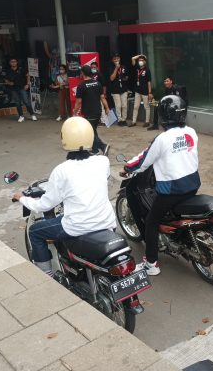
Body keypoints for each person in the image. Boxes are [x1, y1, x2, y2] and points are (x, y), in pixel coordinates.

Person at [13, 116, 116, 275]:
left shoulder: (61, 171)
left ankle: (47, 275)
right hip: (107, 222)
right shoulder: (102, 161)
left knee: (34, 231)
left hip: (77, 226)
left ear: (64, 138)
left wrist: (22, 198)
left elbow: (44, 205)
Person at [121, 95, 200, 276]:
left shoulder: (163, 139)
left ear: (163, 115)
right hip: (192, 184)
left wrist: (127, 168)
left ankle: (151, 265)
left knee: (151, 221)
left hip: (172, 191)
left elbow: (144, 161)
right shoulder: (191, 132)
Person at [73, 63, 110, 155]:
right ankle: (95, 149)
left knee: (89, 131)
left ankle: (103, 146)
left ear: (83, 73)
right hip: (98, 111)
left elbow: (78, 101)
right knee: (93, 130)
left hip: (89, 113)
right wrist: (107, 108)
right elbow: (102, 97)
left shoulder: (81, 86)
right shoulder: (97, 83)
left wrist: (74, 112)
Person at [3, 57, 37, 123]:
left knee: (26, 102)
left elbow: (28, 75)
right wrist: (9, 83)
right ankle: (21, 116)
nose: (13, 63)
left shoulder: (21, 69)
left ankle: (32, 114)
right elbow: (5, 80)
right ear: (10, 63)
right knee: (17, 103)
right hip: (13, 89)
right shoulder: (8, 71)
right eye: (12, 62)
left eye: (14, 61)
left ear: (17, 62)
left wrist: (27, 84)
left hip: (22, 88)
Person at [129, 54, 153, 127]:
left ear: (145, 62)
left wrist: (149, 92)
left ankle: (147, 122)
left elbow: (149, 82)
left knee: (146, 106)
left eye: (142, 60)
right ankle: (133, 122)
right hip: (137, 91)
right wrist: (140, 55)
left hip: (145, 91)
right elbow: (132, 58)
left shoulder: (147, 70)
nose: (140, 61)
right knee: (136, 106)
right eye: (139, 60)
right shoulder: (137, 67)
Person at [109, 53, 129, 126]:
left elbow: (126, 76)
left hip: (123, 89)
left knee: (124, 105)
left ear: (119, 59)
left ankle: (124, 120)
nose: (116, 60)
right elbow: (111, 78)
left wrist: (125, 78)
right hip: (115, 90)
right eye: (114, 59)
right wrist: (116, 68)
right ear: (112, 60)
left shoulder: (123, 67)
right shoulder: (111, 67)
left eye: (117, 58)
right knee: (118, 106)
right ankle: (119, 120)